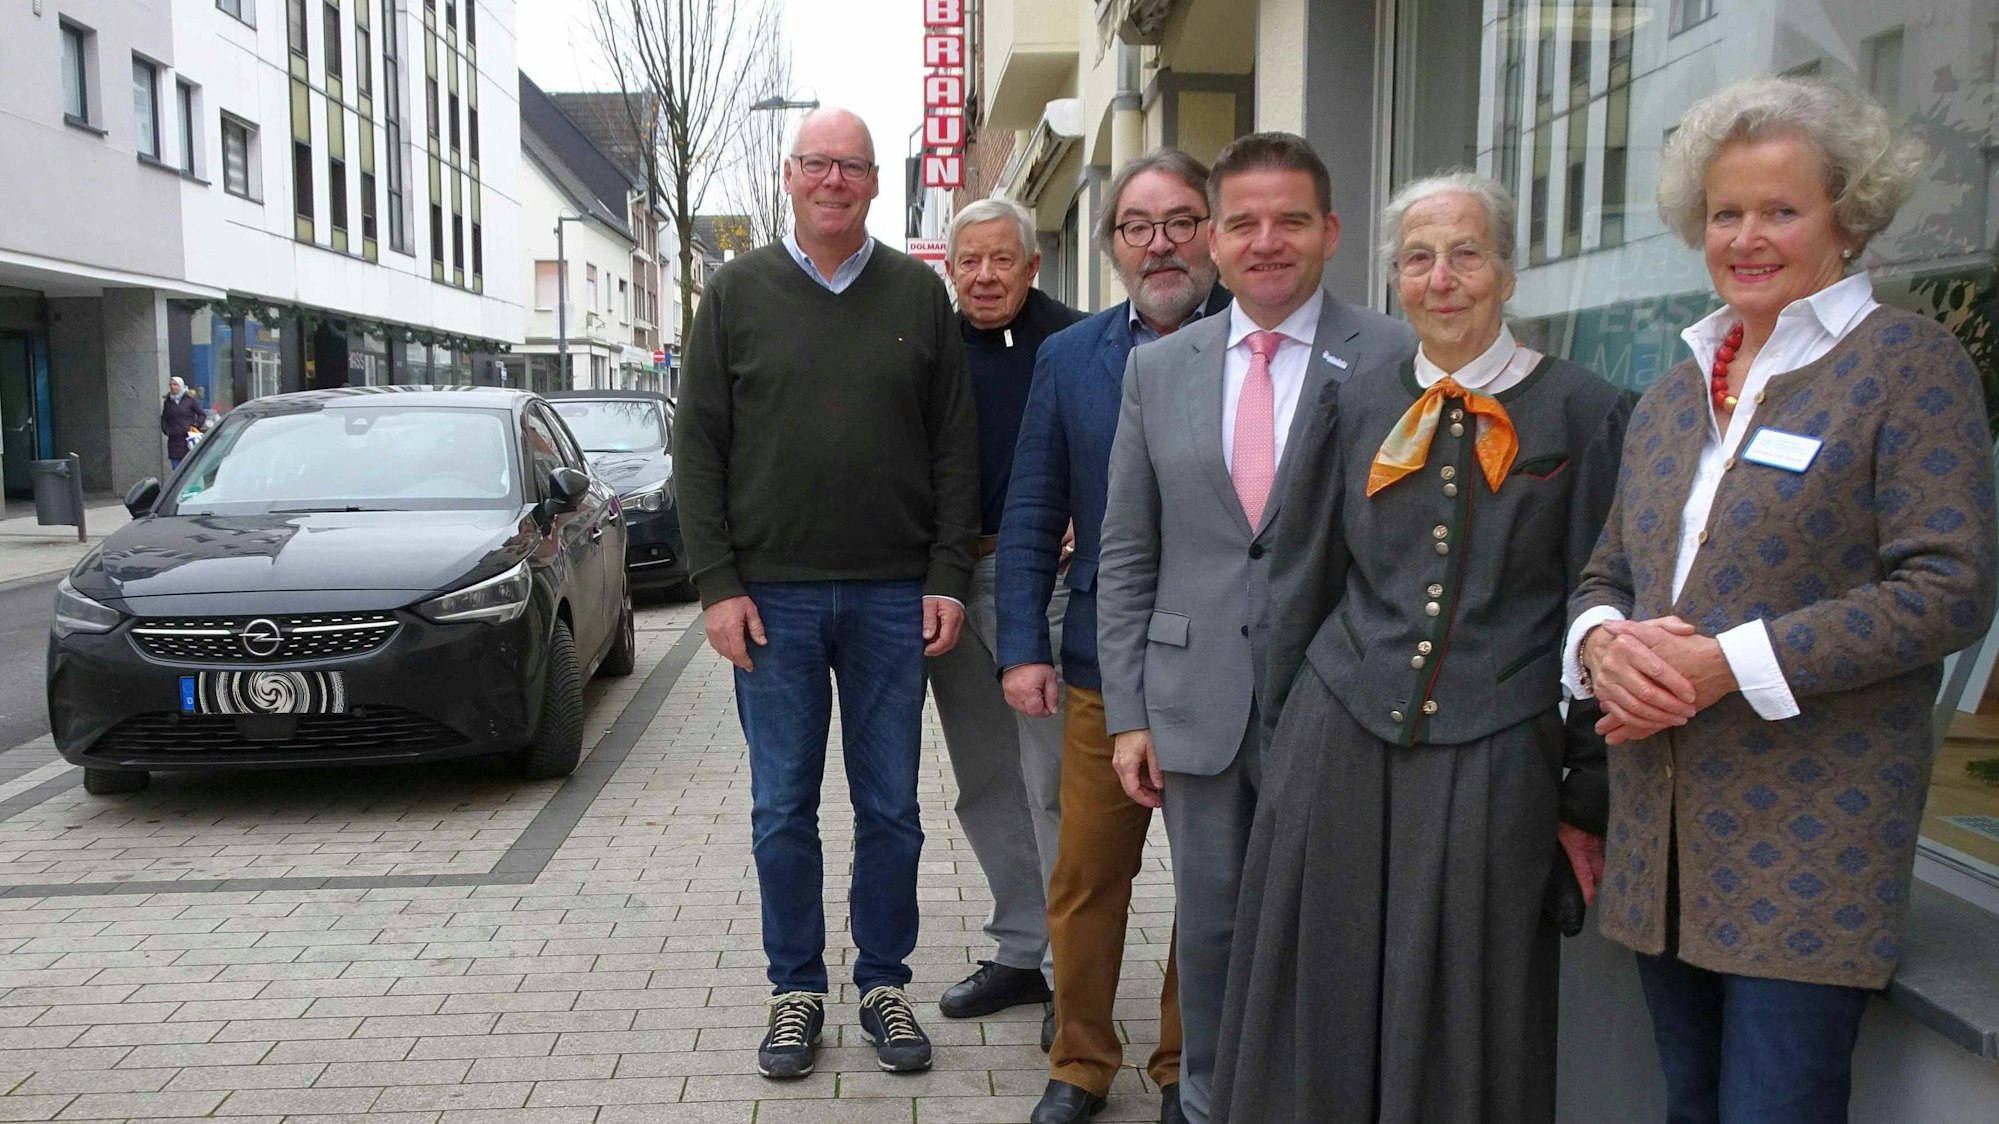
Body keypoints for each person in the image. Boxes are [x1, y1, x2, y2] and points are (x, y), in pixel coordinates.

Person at [1566, 76, 1997, 1123]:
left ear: (1847, 220)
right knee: (1690, 1104)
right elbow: (1605, 573)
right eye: (1725, 212)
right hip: (1662, 839)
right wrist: (1602, 642)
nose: (1746, 236)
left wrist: (1727, 662)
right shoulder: (1673, 392)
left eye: (1780, 209)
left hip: (1810, 846)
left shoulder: (1905, 364)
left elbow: (1949, 586)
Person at [1211, 171, 1625, 1124]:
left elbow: (1601, 612)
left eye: (1467, 253)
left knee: (1463, 1004)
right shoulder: (1351, 405)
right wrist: (1280, 754)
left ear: (1509, 272)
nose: (1442, 278)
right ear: (1394, 276)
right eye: (1418, 258)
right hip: (1337, 737)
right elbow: (1297, 585)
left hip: (1494, 754)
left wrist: (1584, 796)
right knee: (1320, 991)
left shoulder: (1586, 411)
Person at [1096, 132, 1415, 1124]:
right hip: (1195, 708)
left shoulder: (1396, 357)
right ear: (1214, 243)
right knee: (1216, 931)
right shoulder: (1160, 371)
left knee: (1334, 927)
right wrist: (1128, 711)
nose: (1265, 241)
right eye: (1242, 222)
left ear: (1328, 232)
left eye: (1289, 220)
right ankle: (1208, 1101)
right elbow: (1126, 553)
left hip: (1340, 704)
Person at [672, 107, 980, 1081]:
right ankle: (796, 990)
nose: (834, 180)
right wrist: (717, 585)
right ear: (790, 177)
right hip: (774, 600)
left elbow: (953, 445)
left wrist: (946, 575)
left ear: (876, 182)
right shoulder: (734, 292)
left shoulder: (917, 295)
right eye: (817, 164)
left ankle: (883, 981)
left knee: (891, 806)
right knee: (780, 808)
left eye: (852, 165)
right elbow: (698, 446)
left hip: (895, 596)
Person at [996, 148, 1229, 1124]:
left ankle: (1187, 1062)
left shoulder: (1260, 355)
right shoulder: (1070, 358)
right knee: (1088, 873)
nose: (1161, 243)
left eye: (1182, 220)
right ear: (1114, 246)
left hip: (1228, 666)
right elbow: (1031, 507)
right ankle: (1080, 1058)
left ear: (1212, 233)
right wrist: (1021, 644)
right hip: (1102, 661)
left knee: (1212, 881)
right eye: (1138, 225)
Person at [927, 197, 1083, 1024]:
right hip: (956, 580)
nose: (984, 276)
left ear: (1032, 264)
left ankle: (1074, 967)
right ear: (949, 269)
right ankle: (1021, 949)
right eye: (968, 262)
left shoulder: (1083, 342)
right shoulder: (928, 348)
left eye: (1001, 260)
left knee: (1053, 781)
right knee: (985, 781)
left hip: (1048, 587)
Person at [160, 377, 204, 469]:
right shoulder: (168, 402)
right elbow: (164, 418)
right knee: (176, 470)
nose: (173, 387)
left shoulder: (190, 400)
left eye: (175, 384)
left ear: (181, 385)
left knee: (190, 469)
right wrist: (166, 430)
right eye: (171, 385)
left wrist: (195, 425)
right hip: (174, 440)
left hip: (188, 440)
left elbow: (202, 415)